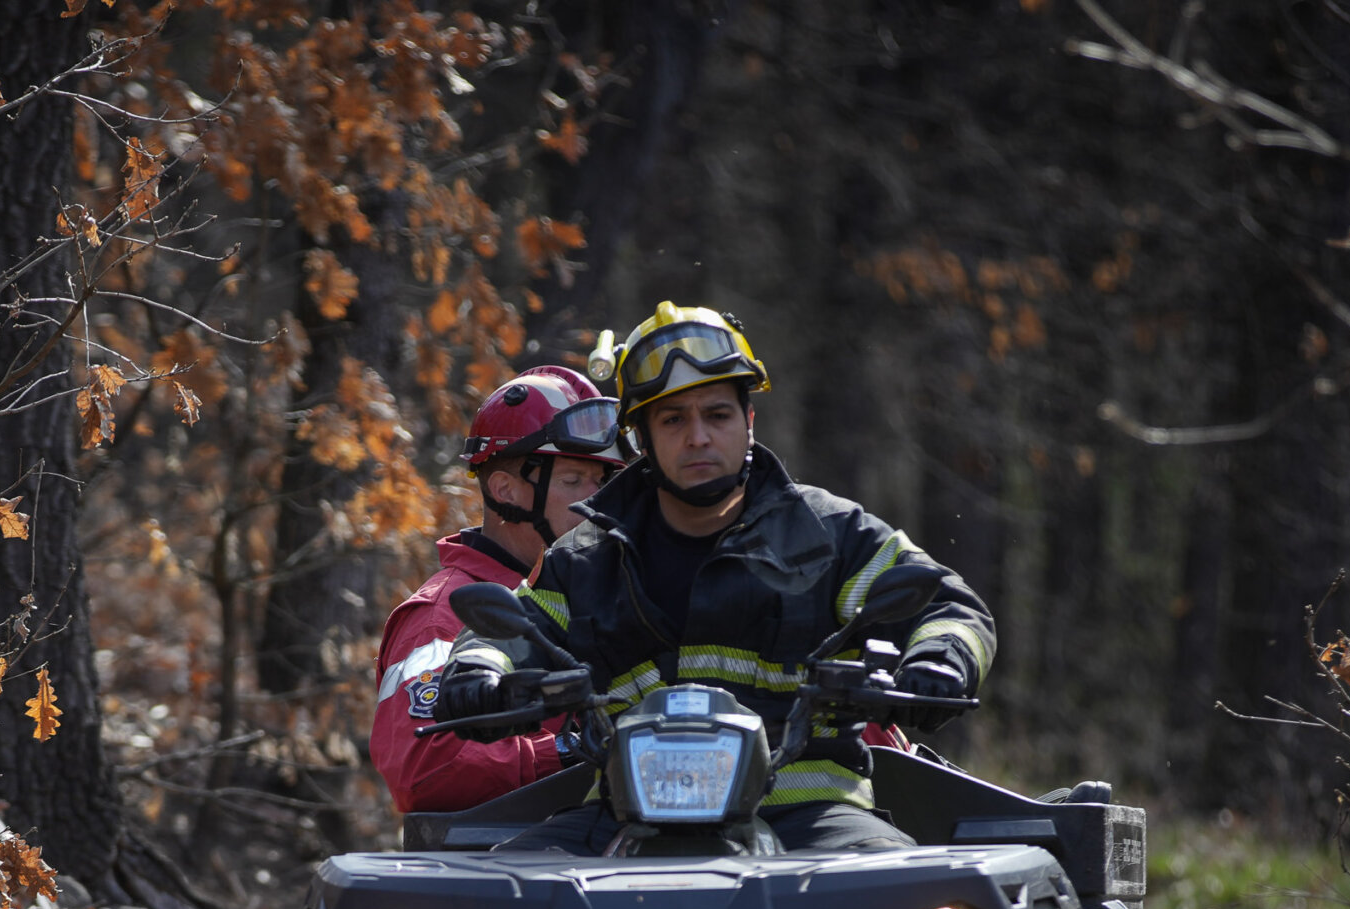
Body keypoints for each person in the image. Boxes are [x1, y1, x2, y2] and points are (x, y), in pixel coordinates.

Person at [434, 303, 994, 852]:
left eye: (718, 415)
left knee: (903, 902)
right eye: (673, 420)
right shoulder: (585, 558)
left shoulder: (827, 532)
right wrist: (477, 669)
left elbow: (948, 607)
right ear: (640, 439)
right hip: (623, 816)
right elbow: (512, 628)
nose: (698, 437)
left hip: (813, 813)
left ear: (748, 423)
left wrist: (939, 660)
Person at [370, 367, 625, 815]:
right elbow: (426, 768)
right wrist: (570, 749)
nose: (594, 500)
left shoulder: (597, 595)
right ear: (506, 491)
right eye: (573, 481)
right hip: (506, 869)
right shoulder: (442, 616)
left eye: (601, 482)